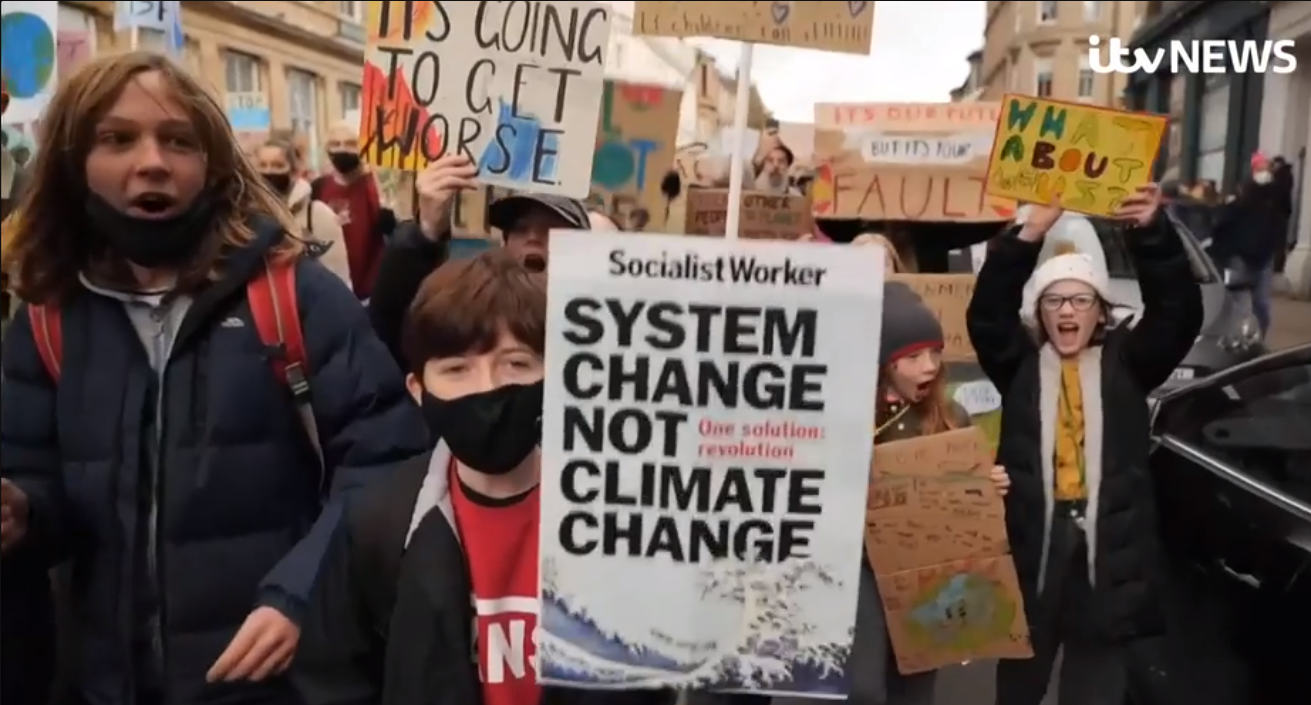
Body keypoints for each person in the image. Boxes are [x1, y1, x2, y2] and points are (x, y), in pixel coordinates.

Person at [0, 51, 428, 705]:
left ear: (210, 164)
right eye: (117, 138)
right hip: (105, 682)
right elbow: (41, 485)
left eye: (178, 140)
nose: (151, 161)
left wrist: (299, 593)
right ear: (73, 160)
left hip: (275, 683)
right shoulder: (47, 319)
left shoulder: (295, 298)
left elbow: (388, 462)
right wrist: (23, 514)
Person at [293, 249, 673, 705]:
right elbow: (332, 683)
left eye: (516, 363)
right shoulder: (376, 525)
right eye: (457, 369)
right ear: (418, 390)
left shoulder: (622, 519)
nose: (488, 386)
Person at [965, 184, 1203, 705]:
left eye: (1079, 299)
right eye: (1054, 300)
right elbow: (985, 316)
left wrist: (1151, 231)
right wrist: (1030, 233)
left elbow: (1178, 314)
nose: (1066, 310)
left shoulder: (1128, 364)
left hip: (1109, 559)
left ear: (1101, 310)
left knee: (1095, 690)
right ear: (1040, 312)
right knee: (1020, 687)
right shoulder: (1019, 366)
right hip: (1034, 551)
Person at [367, 154, 593, 370]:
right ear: (505, 244)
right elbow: (390, 332)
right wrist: (424, 232)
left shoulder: (603, 324)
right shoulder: (472, 311)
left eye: (551, 228)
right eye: (520, 229)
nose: (533, 238)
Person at [311, 120, 398, 301]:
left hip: (369, 292)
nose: (342, 149)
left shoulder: (375, 185)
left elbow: (392, 230)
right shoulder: (318, 187)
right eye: (336, 144)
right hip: (329, 290)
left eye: (351, 144)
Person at [255, 139, 352, 288]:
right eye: (263, 165)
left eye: (278, 166)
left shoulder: (319, 215)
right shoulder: (247, 216)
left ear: (294, 171)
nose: (269, 172)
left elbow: (338, 279)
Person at [1213, 153, 1291, 335]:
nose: (1265, 173)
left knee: (1262, 305)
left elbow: (1284, 209)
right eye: (1260, 168)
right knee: (1239, 304)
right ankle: (1239, 337)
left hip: (1264, 257)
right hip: (1241, 257)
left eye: (1267, 168)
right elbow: (1223, 225)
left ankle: (1257, 340)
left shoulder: (1275, 197)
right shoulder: (1242, 197)